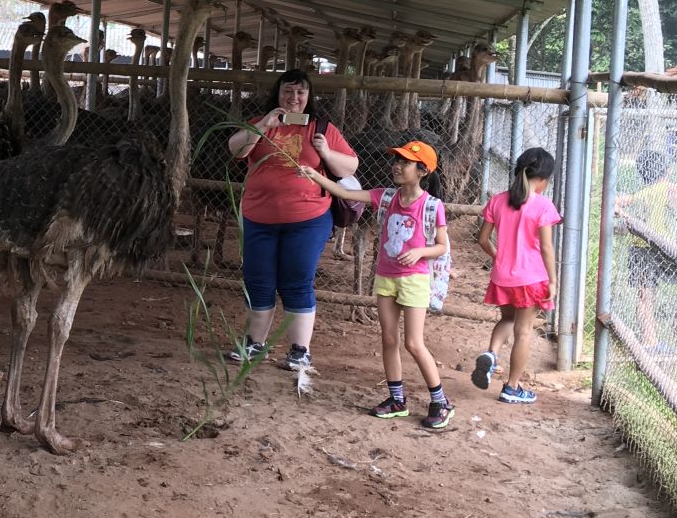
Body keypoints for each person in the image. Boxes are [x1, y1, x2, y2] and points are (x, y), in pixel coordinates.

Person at [299, 141, 453, 430]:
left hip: (415, 279)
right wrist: (315, 175)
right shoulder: (385, 197)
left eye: (405, 162)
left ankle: (440, 401)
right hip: (386, 277)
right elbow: (345, 193)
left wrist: (420, 252)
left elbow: (442, 246)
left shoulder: (432, 206)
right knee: (389, 339)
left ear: (422, 171)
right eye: (396, 160)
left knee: (413, 343)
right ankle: (397, 399)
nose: (397, 166)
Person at [226, 69, 359, 371]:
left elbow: (350, 167)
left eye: (301, 92)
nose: (294, 98)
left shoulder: (321, 128)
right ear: (278, 93)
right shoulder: (260, 123)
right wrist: (264, 125)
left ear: (309, 96)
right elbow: (236, 150)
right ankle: (254, 344)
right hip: (259, 216)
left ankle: (300, 350)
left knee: (297, 278)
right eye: (288, 91)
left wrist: (326, 152)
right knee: (258, 279)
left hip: (308, 218)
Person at [472, 147, 560, 404]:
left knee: (507, 319)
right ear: (543, 179)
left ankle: (491, 354)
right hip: (530, 278)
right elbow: (546, 247)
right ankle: (512, 387)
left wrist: (498, 257)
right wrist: (553, 280)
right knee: (523, 331)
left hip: (503, 277)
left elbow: (482, 239)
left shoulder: (498, 200)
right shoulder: (543, 205)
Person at [615, 149, 677, 352]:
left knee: (646, 294)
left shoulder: (641, 193)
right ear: (667, 169)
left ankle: (652, 340)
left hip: (645, 249)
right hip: (658, 249)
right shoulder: (670, 188)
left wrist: (622, 213)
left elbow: (617, 201)